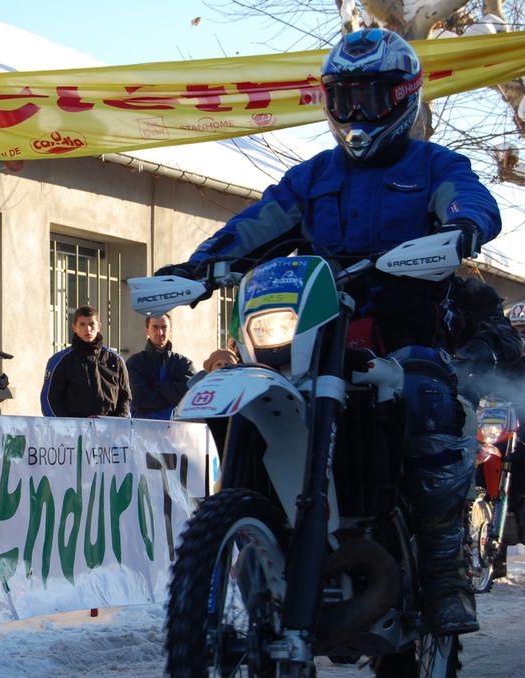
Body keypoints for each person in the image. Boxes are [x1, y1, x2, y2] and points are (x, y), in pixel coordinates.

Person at [155, 28, 502, 635]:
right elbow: (257, 221)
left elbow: (468, 199)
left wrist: (464, 227)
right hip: (315, 326)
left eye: (372, 98)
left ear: (405, 98)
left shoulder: (435, 164)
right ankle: (250, 539)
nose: (357, 113)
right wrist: (201, 265)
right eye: (344, 100)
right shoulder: (312, 176)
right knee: (252, 392)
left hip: (402, 331)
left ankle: (444, 577)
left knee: (427, 398)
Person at [41, 305, 131, 417]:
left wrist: (118, 426)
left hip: (110, 431)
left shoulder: (116, 360)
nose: (87, 329)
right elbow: (49, 400)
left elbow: (125, 399)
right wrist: (69, 428)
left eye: (91, 324)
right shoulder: (60, 361)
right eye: (82, 324)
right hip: (74, 432)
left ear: (99, 326)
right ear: (74, 327)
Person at [126, 314, 194, 419]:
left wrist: (156, 386)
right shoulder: (135, 363)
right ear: (147, 330)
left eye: (164, 327)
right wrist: (172, 399)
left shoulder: (184, 364)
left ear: (170, 330)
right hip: (143, 429)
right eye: (155, 327)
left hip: (176, 429)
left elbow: (189, 397)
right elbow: (141, 399)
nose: (160, 332)